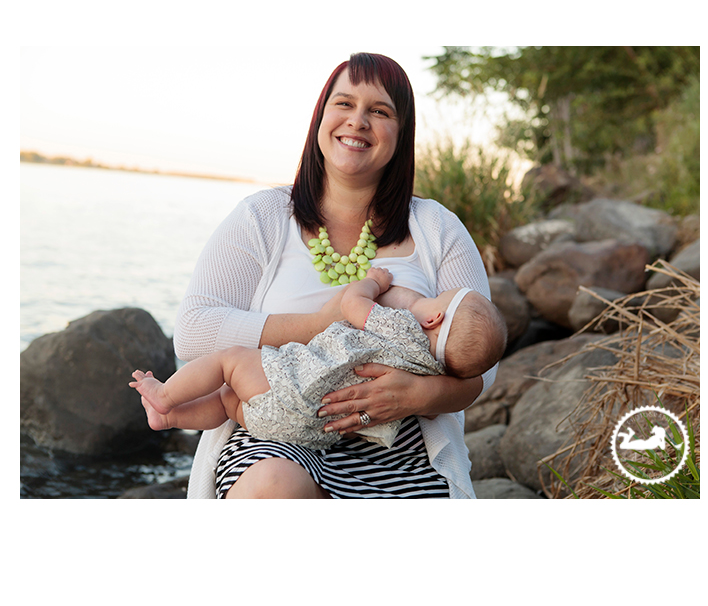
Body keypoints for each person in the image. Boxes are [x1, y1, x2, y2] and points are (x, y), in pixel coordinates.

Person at [174, 52, 506, 499]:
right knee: (274, 487)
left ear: (401, 132)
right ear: (321, 118)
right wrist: (323, 321)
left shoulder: (437, 228)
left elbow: (482, 365)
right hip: (278, 433)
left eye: (380, 110)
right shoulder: (263, 217)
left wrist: (417, 396)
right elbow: (193, 333)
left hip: (399, 446)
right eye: (344, 104)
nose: (358, 121)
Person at [131, 267, 506, 449]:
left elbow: (352, 304)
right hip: (311, 432)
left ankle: (166, 400)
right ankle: (170, 419)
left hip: (290, 384)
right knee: (230, 403)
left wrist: (373, 282)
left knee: (229, 363)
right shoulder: (431, 369)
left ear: (433, 318)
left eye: (437, 297)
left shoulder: (403, 328)